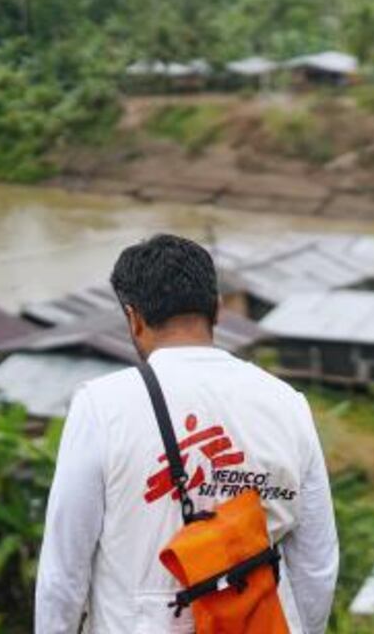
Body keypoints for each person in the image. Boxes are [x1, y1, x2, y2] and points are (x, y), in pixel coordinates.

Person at [35, 234, 338, 634]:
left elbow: (64, 570)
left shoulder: (103, 406)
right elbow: (316, 565)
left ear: (133, 318)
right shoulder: (288, 404)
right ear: (217, 309)